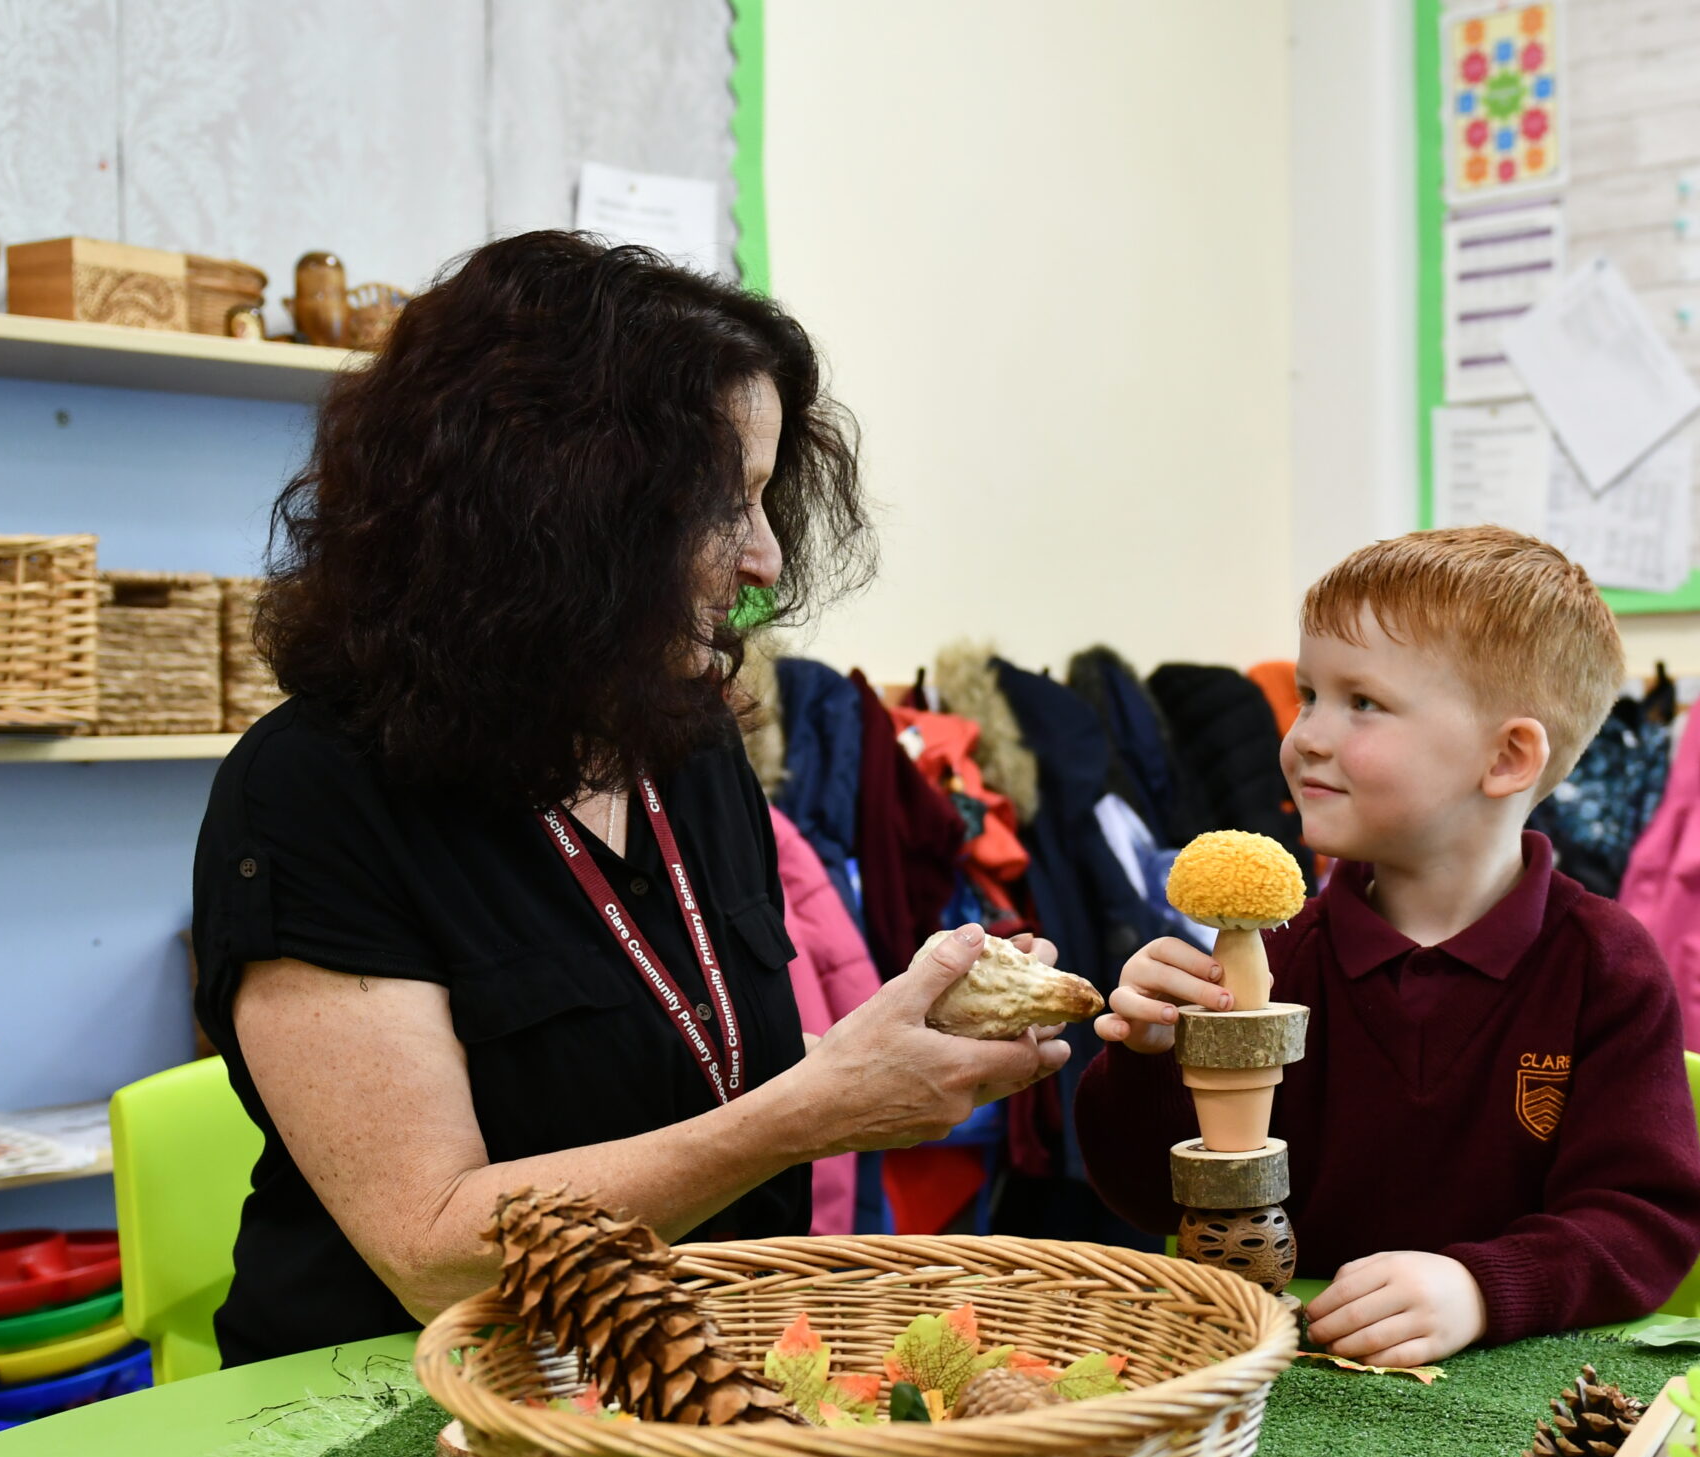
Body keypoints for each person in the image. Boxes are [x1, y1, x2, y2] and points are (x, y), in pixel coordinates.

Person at [193, 233, 1067, 1366]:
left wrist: (899, 1046)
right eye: (721, 504)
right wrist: (817, 1111)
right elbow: (433, 1247)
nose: (765, 559)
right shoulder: (312, 794)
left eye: (764, 501)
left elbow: (690, 1053)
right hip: (415, 1406)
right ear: (548, 510)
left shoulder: (682, 744)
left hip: (692, 1380)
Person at [1075, 528, 1700, 1366]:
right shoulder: (1279, 962)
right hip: (1300, 1382)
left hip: (1528, 1391)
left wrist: (1481, 1287)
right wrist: (1154, 1058)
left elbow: (1644, 1221)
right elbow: (1149, 1198)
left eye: (1362, 702)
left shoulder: (1604, 966)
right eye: (1308, 694)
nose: (1306, 734)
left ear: (1509, 756)